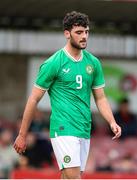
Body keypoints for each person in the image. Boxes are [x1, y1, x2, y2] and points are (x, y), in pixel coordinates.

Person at [13, 11, 121, 179]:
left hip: (84, 128)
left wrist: (112, 121)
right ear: (67, 33)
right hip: (63, 128)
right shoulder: (54, 63)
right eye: (79, 32)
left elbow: (100, 98)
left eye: (86, 31)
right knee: (74, 178)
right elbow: (33, 99)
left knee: (69, 177)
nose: (84, 36)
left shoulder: (93, 63)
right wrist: (22, 134)